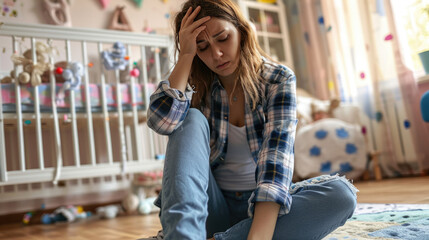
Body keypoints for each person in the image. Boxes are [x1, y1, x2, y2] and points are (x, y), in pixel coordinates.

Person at [142, 0, 357, 239]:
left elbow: (276, 160)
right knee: (190, 119)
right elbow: (162, 123)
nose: (217, 54)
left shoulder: (277, 79)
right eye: (202, 47)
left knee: (340, 194)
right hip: (211, 207)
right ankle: (183, 235)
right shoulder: (195, 85)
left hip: (262, 209)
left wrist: (258, 236)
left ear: (241, 30)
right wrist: (186, 55)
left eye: (223, 38)